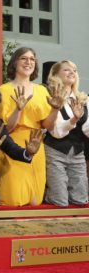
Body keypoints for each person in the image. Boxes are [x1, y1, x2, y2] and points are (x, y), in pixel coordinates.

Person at [0, 47, 66, 206]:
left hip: (36, 146)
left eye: (32, 59)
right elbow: (5, 130)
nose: (28, 62)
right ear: (15, 63)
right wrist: (18, 109)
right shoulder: (3, 90)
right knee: (12, 199)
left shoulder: (41, 90)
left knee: (34, 201)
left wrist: (55, 109)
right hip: (12, 145)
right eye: (23, 58)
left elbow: (48, 125)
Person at [44, 60, 89, 206]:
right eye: (67, 70)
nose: (72, 72)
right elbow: (56, 132)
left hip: (77, 153)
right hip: (55, 151)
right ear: (56, 74)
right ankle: (44, 192)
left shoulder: (83, 99)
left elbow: (87, 129)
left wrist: (78, 119)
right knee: (60, 201)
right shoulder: (50, 96)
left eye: (74, 70)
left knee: (81, 200)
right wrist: (74, 119)